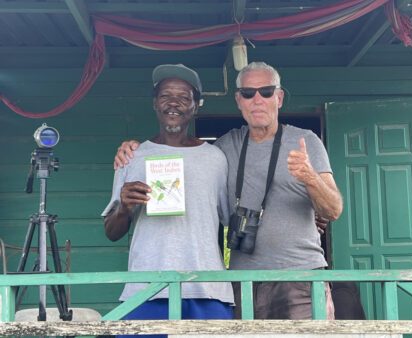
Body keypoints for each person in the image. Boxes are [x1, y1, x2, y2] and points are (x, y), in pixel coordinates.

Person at [113, 62, 343, 320]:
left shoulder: (306, 141)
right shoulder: (222, 149)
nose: (257, 99)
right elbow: (185, 153)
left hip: (300, 278)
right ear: (238, 100)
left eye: (266, 92)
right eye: (248, 93)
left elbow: (332, 210)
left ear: (278, 98)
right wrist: (132, 149)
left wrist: (311, 178)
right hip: (241, 281)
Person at [102, 64, 234, 337]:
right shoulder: (131, 157)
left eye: (184, 97)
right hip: (146, 289)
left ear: (195, 106)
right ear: (155, 103)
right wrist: (125, 209)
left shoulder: (216, 158)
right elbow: (112, 233)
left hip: (207, 289)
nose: (173, 103)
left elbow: (230, 221)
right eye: (165, 96)